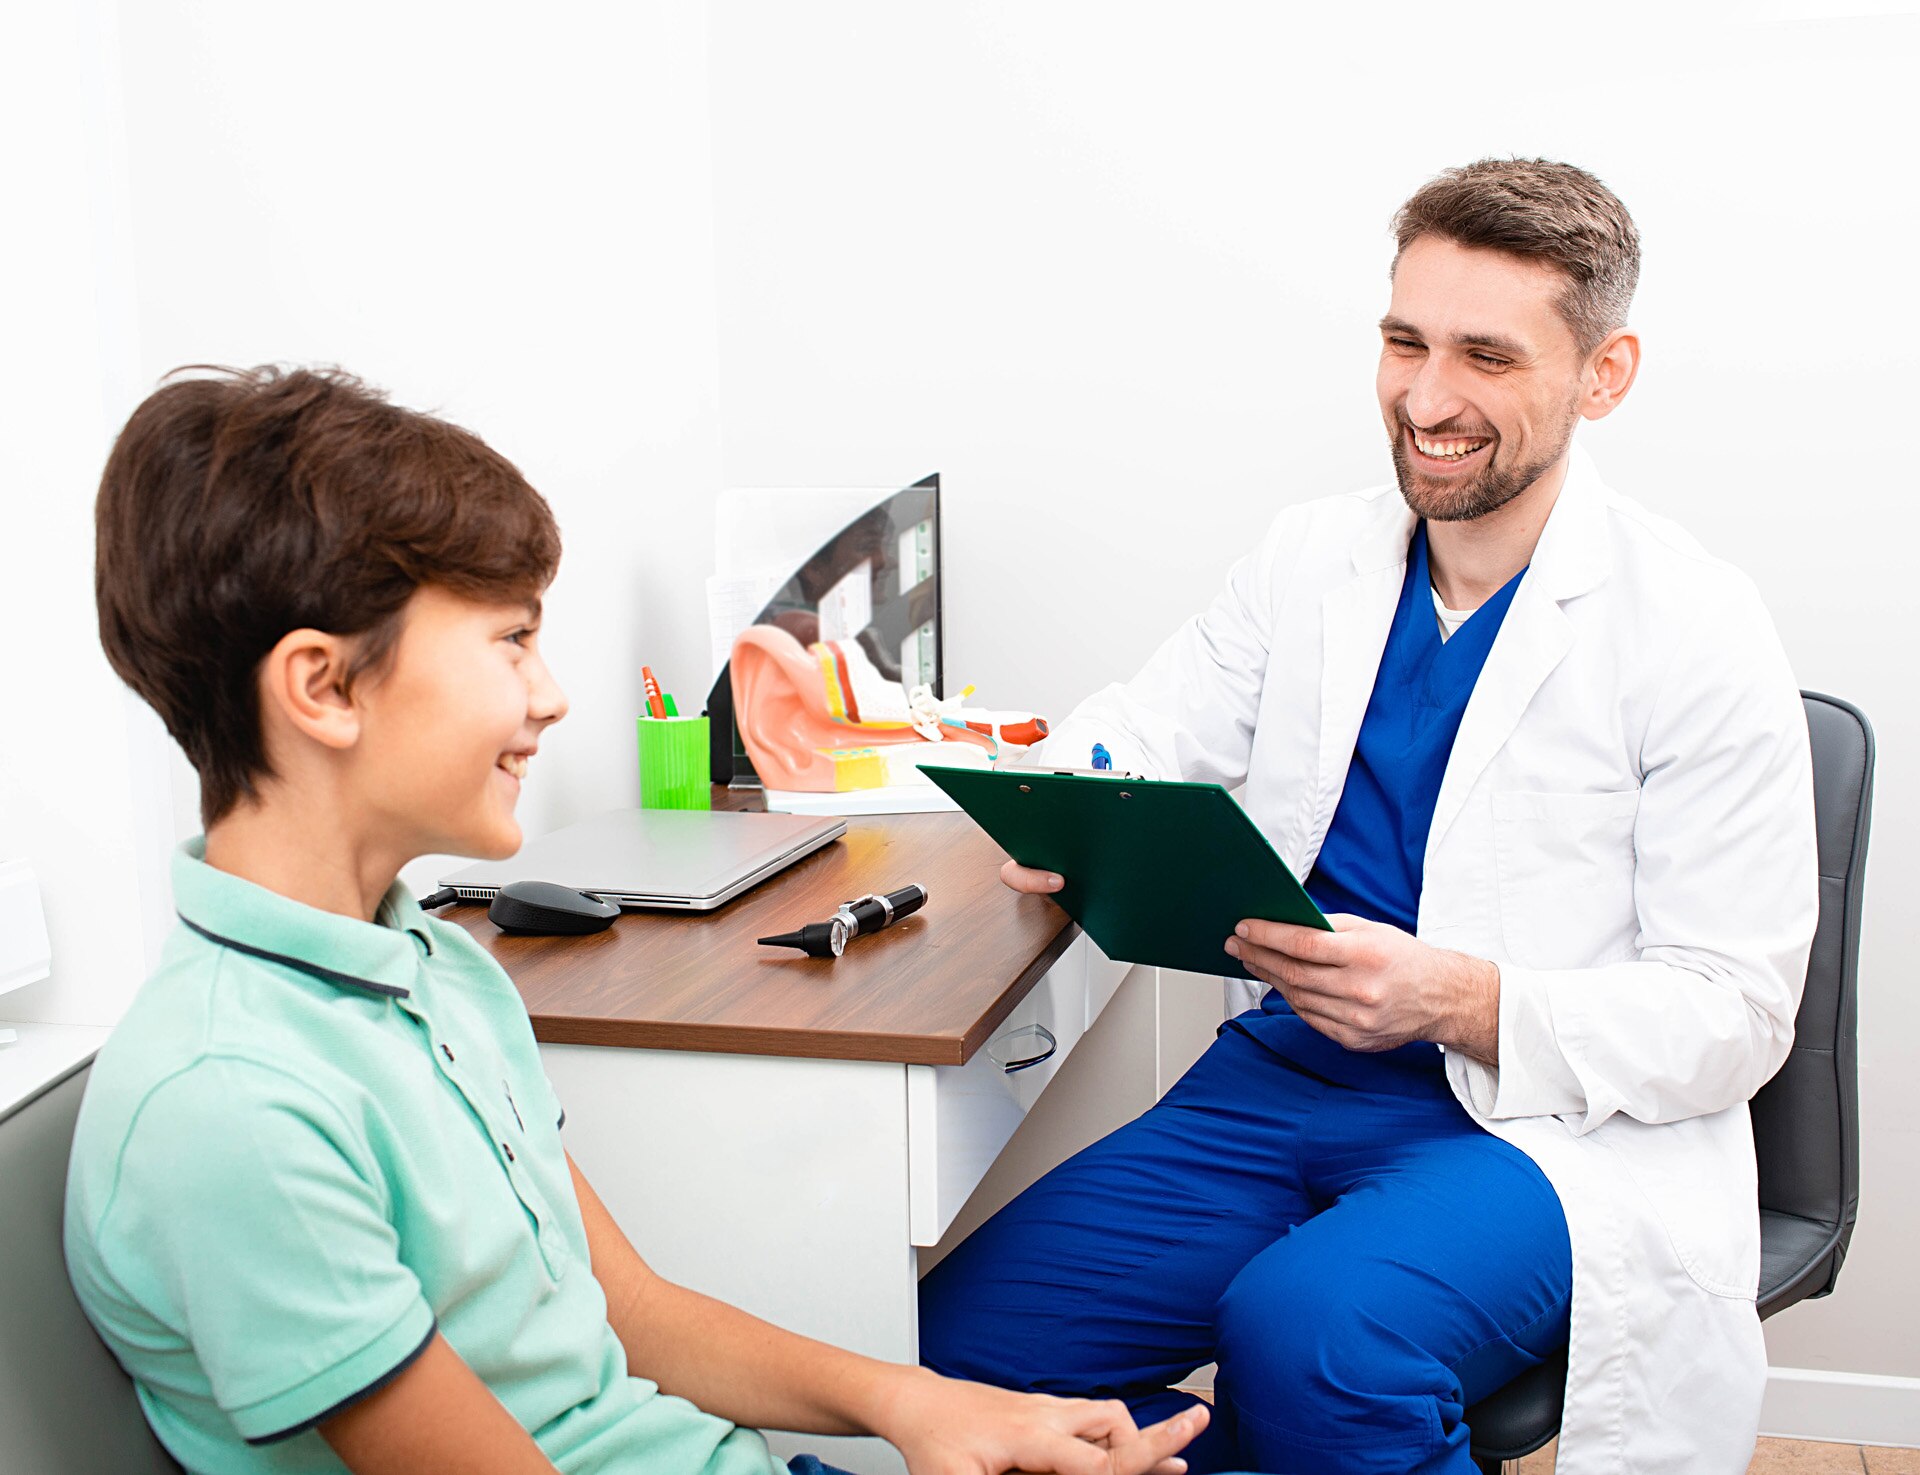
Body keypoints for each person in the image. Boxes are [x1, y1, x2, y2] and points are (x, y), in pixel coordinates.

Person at [66, 366, 1208, 1475]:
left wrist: (925, 1407)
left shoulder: (425, 963)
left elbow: (627, 1310)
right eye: (510, 639)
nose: (553, 693)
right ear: (322, 687)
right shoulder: (232, 1102)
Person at [918, 159, 1819, 1475]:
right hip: (1283, 1080)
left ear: (1603, 374)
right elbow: (1147, 725)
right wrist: (1061, 786)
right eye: (1404, 340)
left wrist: (1459, 996)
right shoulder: (1310, 560)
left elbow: (1736, 1010)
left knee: (1313, 1335)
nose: (1426, 397)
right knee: (958, 1350)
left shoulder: (1695, 626)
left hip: (1538, 1128)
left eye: (1487, 356)